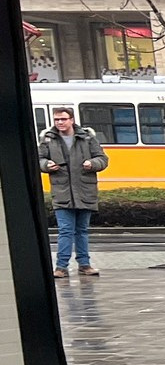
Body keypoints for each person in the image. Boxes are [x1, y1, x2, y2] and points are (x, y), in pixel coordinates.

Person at [39, 107, 108, 278]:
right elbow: (39, 159)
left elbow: (103, 159)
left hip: (85, 190)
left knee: (82, 230)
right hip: (62, 192)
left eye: (63, 119)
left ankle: (84, 265)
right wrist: (46, 165)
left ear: (71, 120)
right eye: (56, 120)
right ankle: (61, 267)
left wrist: (92, 163)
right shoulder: (48, 139)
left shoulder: (87, 137)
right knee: (65, 230)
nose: (60, 123)